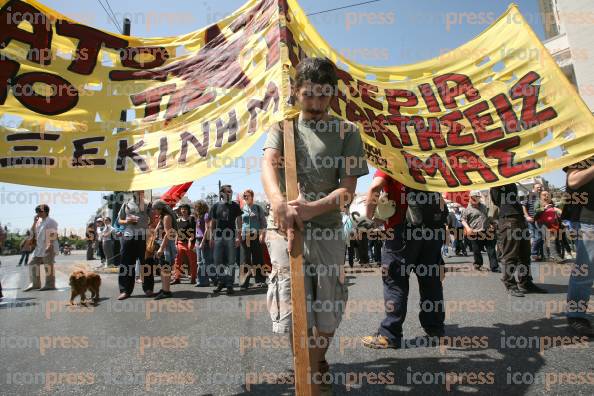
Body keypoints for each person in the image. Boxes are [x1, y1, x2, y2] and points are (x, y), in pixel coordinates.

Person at [261, 57, 369, 394]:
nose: (317, 103)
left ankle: (314, 360)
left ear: (333, 94)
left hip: (326, 228)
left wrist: (311, 209)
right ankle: (305, 370)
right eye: (309, 95)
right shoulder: (282, 128)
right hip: (284, 228)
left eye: (324, 95)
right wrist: (279, 202)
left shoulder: (347, 132)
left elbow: (347, 192)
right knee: (294, 305)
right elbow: (267, 165)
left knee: (328, 305)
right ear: (295, 91)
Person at [362, 174, 447, 349]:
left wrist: (369, 218)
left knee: (395, 282)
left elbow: (374, 188)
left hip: (402, 231)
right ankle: (435, 329)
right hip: (432, 230)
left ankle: (390, 335)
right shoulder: (430, 162)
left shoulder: (392, 158)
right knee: (431, 282)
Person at [490, 183, 548, 297]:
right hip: (508, 220)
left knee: (525, 255)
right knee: (510, 255)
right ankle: (510, 284)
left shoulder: (512, 182)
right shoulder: (495, 183)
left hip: (520, 219)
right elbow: (497, 201)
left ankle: (526, 282)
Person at [562, 156, 594, 336]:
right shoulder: (584, 149)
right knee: (586, 270)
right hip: (588, 218)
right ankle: (576, 315)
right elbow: (573, 180)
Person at [117, 191, 153, 300]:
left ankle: (148, 289)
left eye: (140, 190)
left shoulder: (148, 204)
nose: (138, 192)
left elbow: (153, 221)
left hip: (143, 237)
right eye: (136, 190)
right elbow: (119, 221)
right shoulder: (126, 204)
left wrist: (148, 227)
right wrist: (127, 220)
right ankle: (125, 290)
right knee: (126, 264)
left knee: (146, 263)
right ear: (133, 191)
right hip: (128, 237)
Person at [209, 184, 242, 295]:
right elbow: (212, 223)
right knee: (217, 261)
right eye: (227, 191)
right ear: (222, 193)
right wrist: (211, 237)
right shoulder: (215, 206)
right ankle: (221, 281)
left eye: (230, 191)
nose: (230, 193)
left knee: (231, 261)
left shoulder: (235, 206)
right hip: (218, 237)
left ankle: (229, 284)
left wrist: (238, 236)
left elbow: (239, 221)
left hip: (231, 237)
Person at [462, 191, 500, 272]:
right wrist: (468, 228)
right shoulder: (467, 209)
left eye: (477, 197)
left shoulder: (484, 206)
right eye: (474, 197)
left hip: (487, 231)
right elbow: (463, 220)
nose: (476, 199)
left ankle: (494, 267)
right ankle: (478, 264)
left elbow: (488, 217)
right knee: (476, 250)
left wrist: (492, 223)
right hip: (474, 232)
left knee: (491, 249)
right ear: (470, 198)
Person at [23, 204, 59, 291]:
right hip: (39, 247)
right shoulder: (39, 222)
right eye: (37, 211)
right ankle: (35, 284)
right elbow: (31, 232)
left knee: (48, 265)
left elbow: (53, 233)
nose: (38, 213)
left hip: (49, 246)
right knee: (32, 263)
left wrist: (49, 245)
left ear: (46, 211)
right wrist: (34, 222)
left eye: (40, 211)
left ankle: (50, 285)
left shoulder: (51, 221)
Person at [150, 200, 178, 300]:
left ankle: (166, 291)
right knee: (162, 268)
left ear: (160, 209)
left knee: (165, 268)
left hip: (165, 245)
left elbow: (168, 233)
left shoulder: (166, 217)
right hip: (162, 244)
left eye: (155, 209)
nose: (154, 212)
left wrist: (161, 248)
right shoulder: (163, 217)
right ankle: (164, 289)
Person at [239, 189, 267, 289]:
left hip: (256, 235)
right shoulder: (241, 209)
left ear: (252, 196)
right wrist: (238, 236)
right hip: (244, 236)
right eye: (244, 196)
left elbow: (264, 223)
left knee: (258, 258)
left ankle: (261, 281)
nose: (245, 197)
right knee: (244, 260)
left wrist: (262, 235)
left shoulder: (258, 208)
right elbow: (238, 223)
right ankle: (244, 282)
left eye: (247, 195)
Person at [535, 190, 564, 262]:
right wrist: (544, 208)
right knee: (551, 238)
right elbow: (535, 211)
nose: (546, 196)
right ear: (540, 196)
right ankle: (556, 257)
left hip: (551, 223)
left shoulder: (551, 202)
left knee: (546, 239)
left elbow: (555, 211)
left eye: (547, 194)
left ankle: (546, 256)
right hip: (541, 223)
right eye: (544, 195)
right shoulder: (538, 202)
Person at [172, 204, 197, 284]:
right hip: (180, 243)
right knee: (177, 261)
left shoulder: (192, 219)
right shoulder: (178, 220)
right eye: (182, 209)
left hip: (189, 243)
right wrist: (176, 242)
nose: (183, 210)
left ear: (188, 210)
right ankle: (177, 278)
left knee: (192, 261)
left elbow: (194, 231)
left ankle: (193, 278)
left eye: (185, 209)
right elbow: (177, 232)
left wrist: (191, 241)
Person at [523, 183, 545, 261]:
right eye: (538, 187)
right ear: (534, 188)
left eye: (540, 187)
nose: (539, 189)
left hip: (540, 220)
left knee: (541, 238)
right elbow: (524, 206)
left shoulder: (541, 196)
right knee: (537, 237)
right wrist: (527, 216)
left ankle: (540, 255)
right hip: (532, 220)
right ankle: (533, 253)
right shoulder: (530, 195)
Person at [194, 200, 212, 287]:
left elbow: (207, 229)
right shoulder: (198, 216)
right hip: (198, 239)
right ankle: (204, 280)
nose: (196, 208)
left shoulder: (206, 215)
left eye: (198, 207)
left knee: (204, 261)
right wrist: (196, 242)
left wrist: (203, 241)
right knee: (200, 261)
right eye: (196, 207)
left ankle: (204, 281)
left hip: (203, 239)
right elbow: (197, 230)